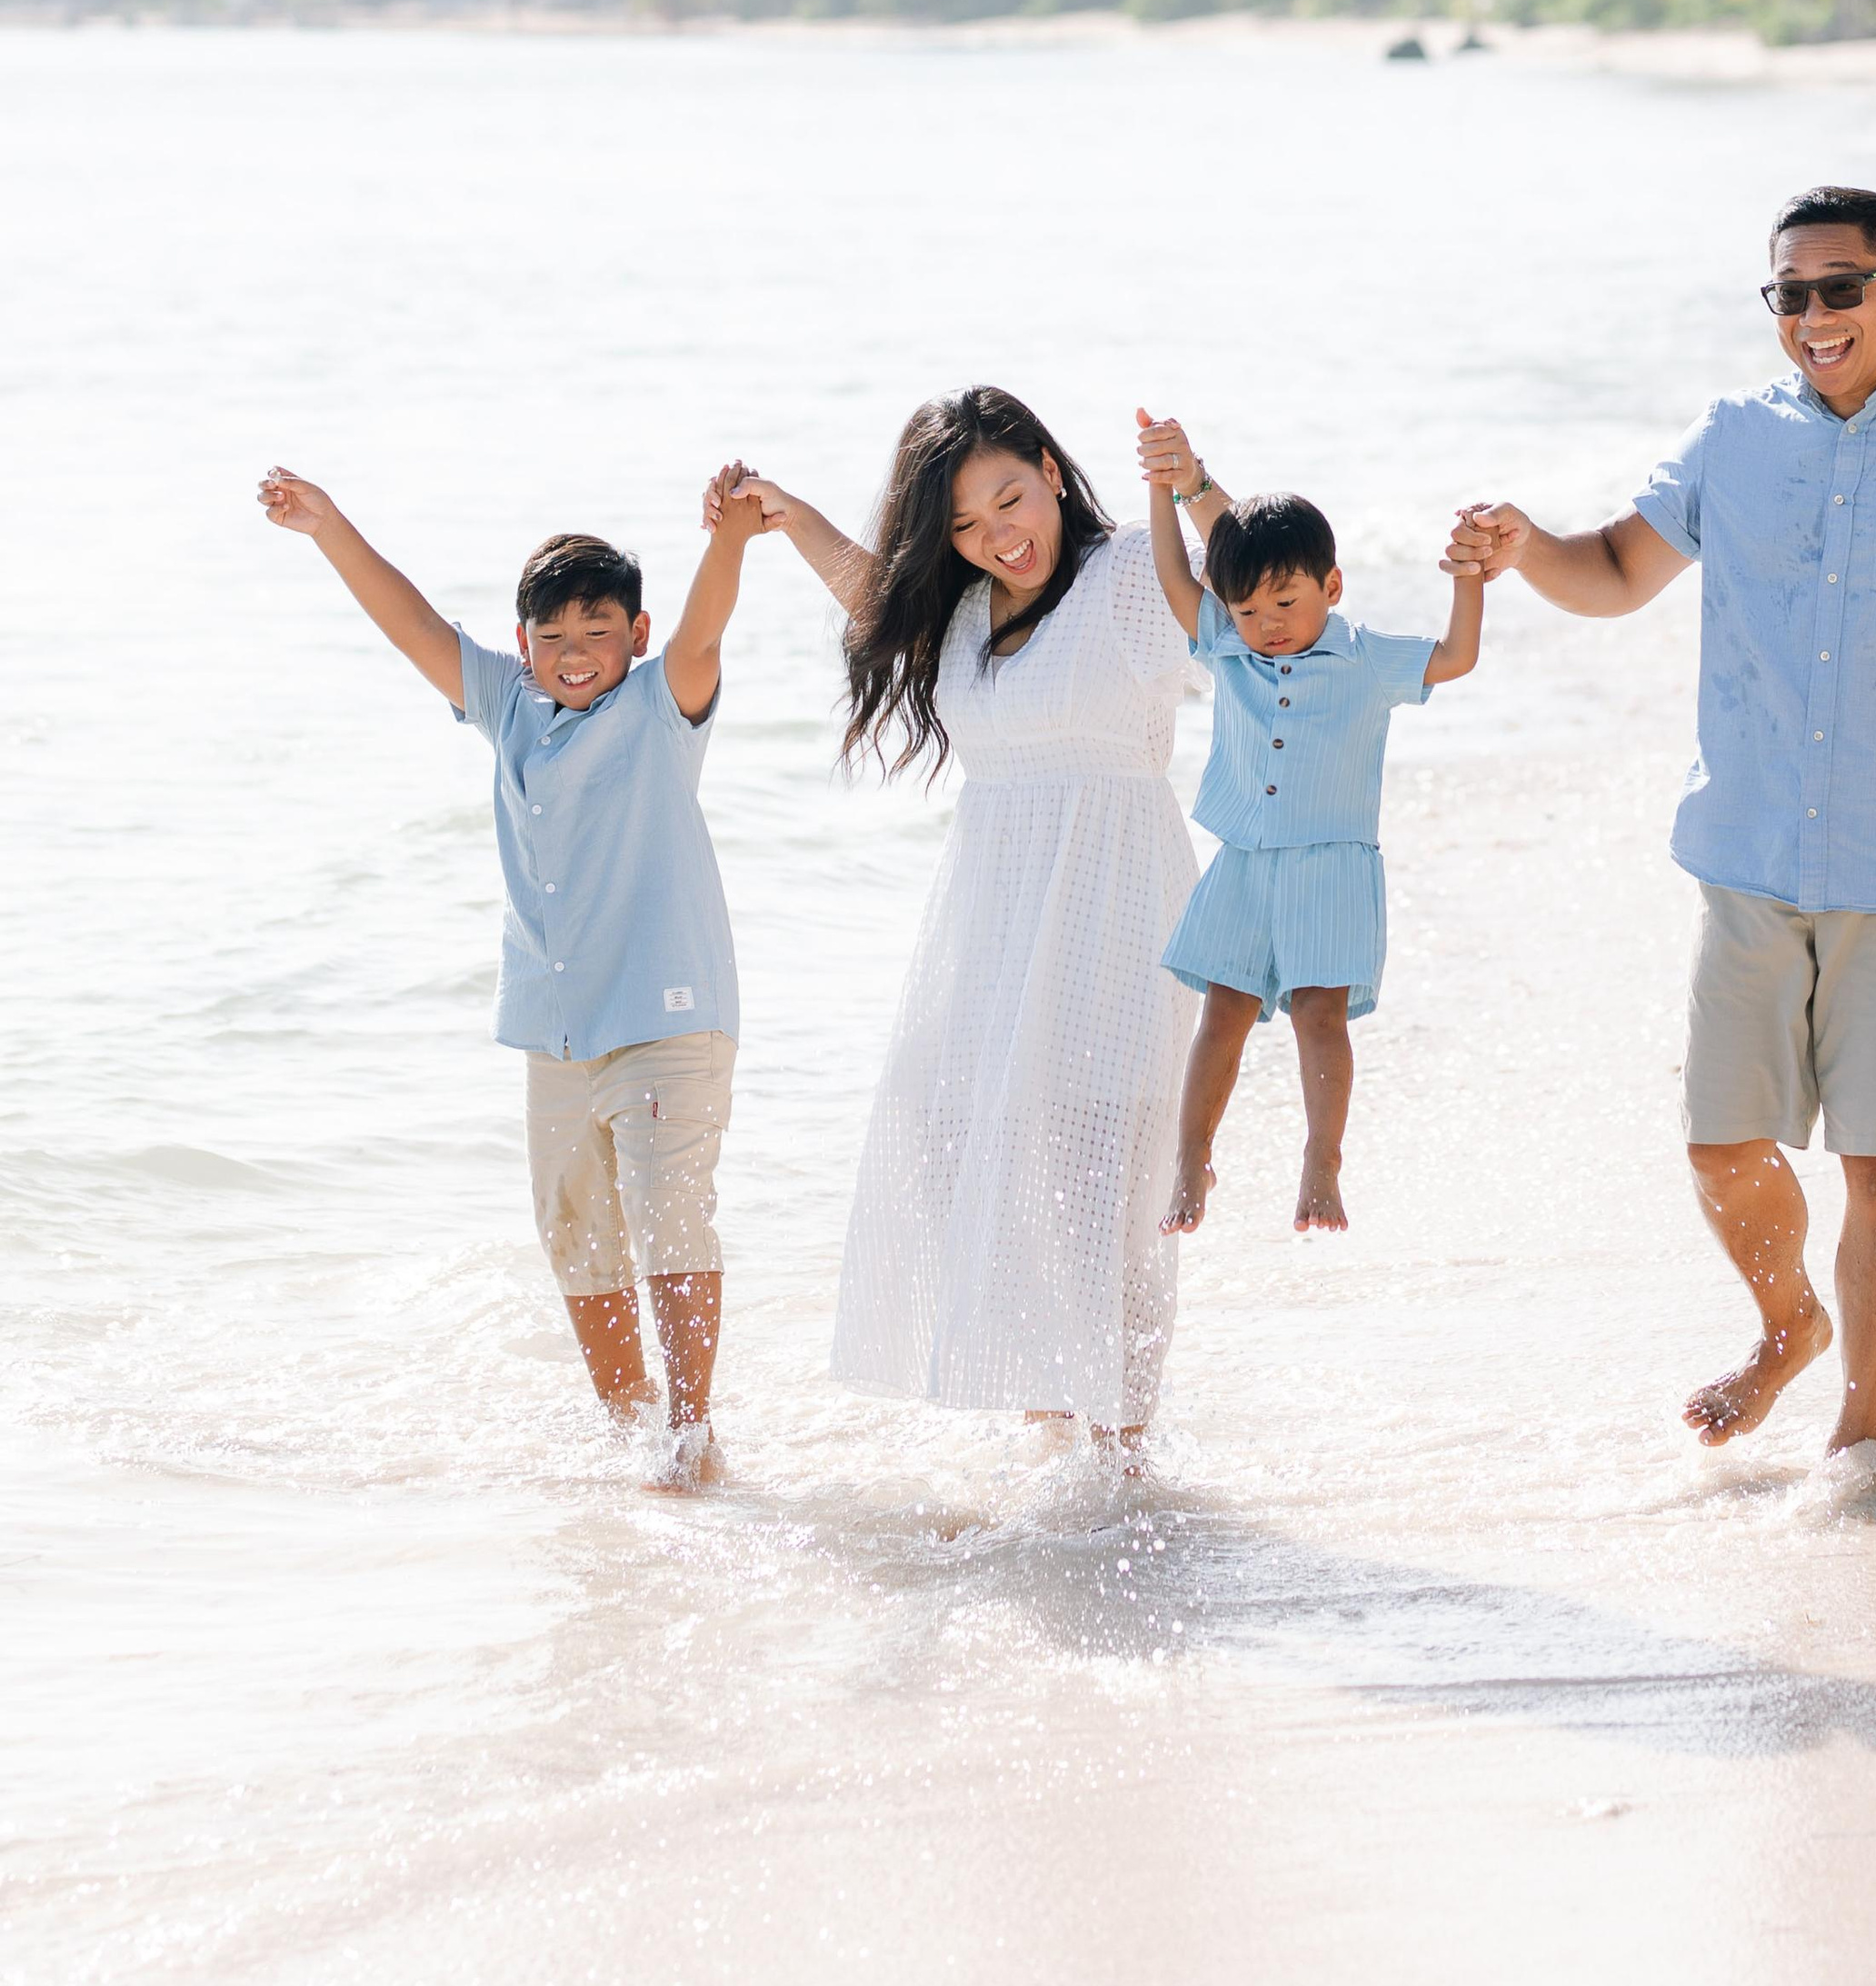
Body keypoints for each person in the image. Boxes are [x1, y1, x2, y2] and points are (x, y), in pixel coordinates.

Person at [1450, 184, 1876, 1493]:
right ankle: (1789, 1321)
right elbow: (1611, 569)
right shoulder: (1733, 436)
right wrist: (1520, 546)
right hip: (1751, 855)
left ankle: (1859, 1433)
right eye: (1791, 292)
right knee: (1722, 1137)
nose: (1816, 315)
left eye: (1842, 286)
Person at [255, 460, 780, 1487]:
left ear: (634, 634)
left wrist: (729, 538)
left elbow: (708, 627)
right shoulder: (505, 706)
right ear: (522, 641)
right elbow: (410, 625)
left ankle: (690, 1434)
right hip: (557, 1022)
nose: (574, 653)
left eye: (597, 631)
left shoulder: (661, 704)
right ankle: (629, 1432)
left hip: (668, 1009)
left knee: (668, 1208)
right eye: (552, 636)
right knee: (575, 1230)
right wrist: (328, 526)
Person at [728, 389, 1196, 1447]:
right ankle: (1050, 1430)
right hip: (990, 928)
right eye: (967, 524)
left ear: (1047, 464)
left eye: (1011, 497)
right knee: (968, 1158)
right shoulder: (969, 614)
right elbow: (877, 602)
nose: (1001, 535)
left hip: (1116, 913)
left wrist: (1191, 483)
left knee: (1100, 1191)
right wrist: (790, 515)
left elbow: (1242, 592)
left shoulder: (1127, 573)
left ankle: (1117, 1463)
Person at [1137, 416, 1483, 1237]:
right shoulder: (1227, 649)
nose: (1269, 623)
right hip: (1245, 863)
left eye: (1287, 601)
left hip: (1330, 867)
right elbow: (1170, 575)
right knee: (1221, 1010)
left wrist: (1469, 574)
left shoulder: (1366, 657)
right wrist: (1161, 487)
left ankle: (1321, 1158)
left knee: (1316, 1016)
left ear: (1332, 586)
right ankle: (1193, 1154)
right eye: (1249, 608)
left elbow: (1457, 656)